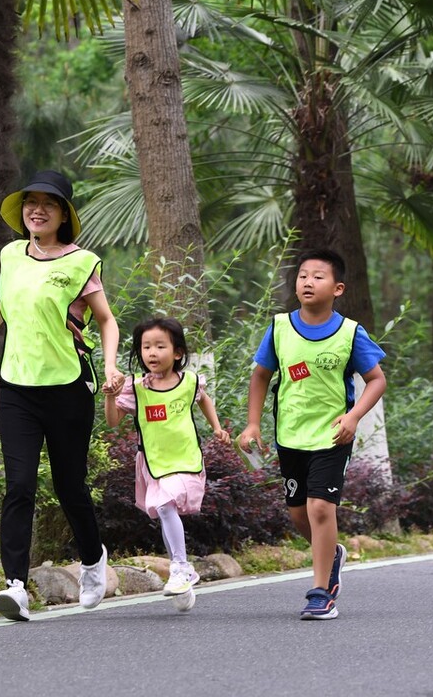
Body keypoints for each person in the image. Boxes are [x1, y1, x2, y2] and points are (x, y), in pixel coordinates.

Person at [0, 170, 125, 622]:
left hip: (67, 387)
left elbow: (106, 319)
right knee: (19, 485)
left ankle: (93, 558)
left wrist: (110, 365)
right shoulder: (9, 255)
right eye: (31, 202)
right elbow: (2, 299)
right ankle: (16, 585)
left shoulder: (82, 262)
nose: (37, 210)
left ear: (63, 215)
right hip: (17, 387)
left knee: (70, 485)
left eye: (49, 204)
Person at [236, 248, 386, 620]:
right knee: (299, 513)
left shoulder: (350, 332)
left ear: (337, 288)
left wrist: (353, 417)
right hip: (290, 436)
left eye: (318, 277)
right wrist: (252, 423)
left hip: (332, 436)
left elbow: (376, 380)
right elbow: (260, 376)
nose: (308, 282)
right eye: (303, 275)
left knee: (320, 508)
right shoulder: (279, 328)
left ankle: (322, 592)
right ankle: (332, 554)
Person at [105, 317, 230, 609]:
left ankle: (181, 567)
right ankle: (182, 578)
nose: (152, 352)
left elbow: (203, 399)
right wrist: (111, 397)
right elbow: (112, 421)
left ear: (177, 352)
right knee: (165, 511)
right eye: (146, 346)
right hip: (154, 464)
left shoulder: (190, 382)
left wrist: (216, 427)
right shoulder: (136, 388)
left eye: (160, 346)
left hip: (186, 460)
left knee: (164, 505)